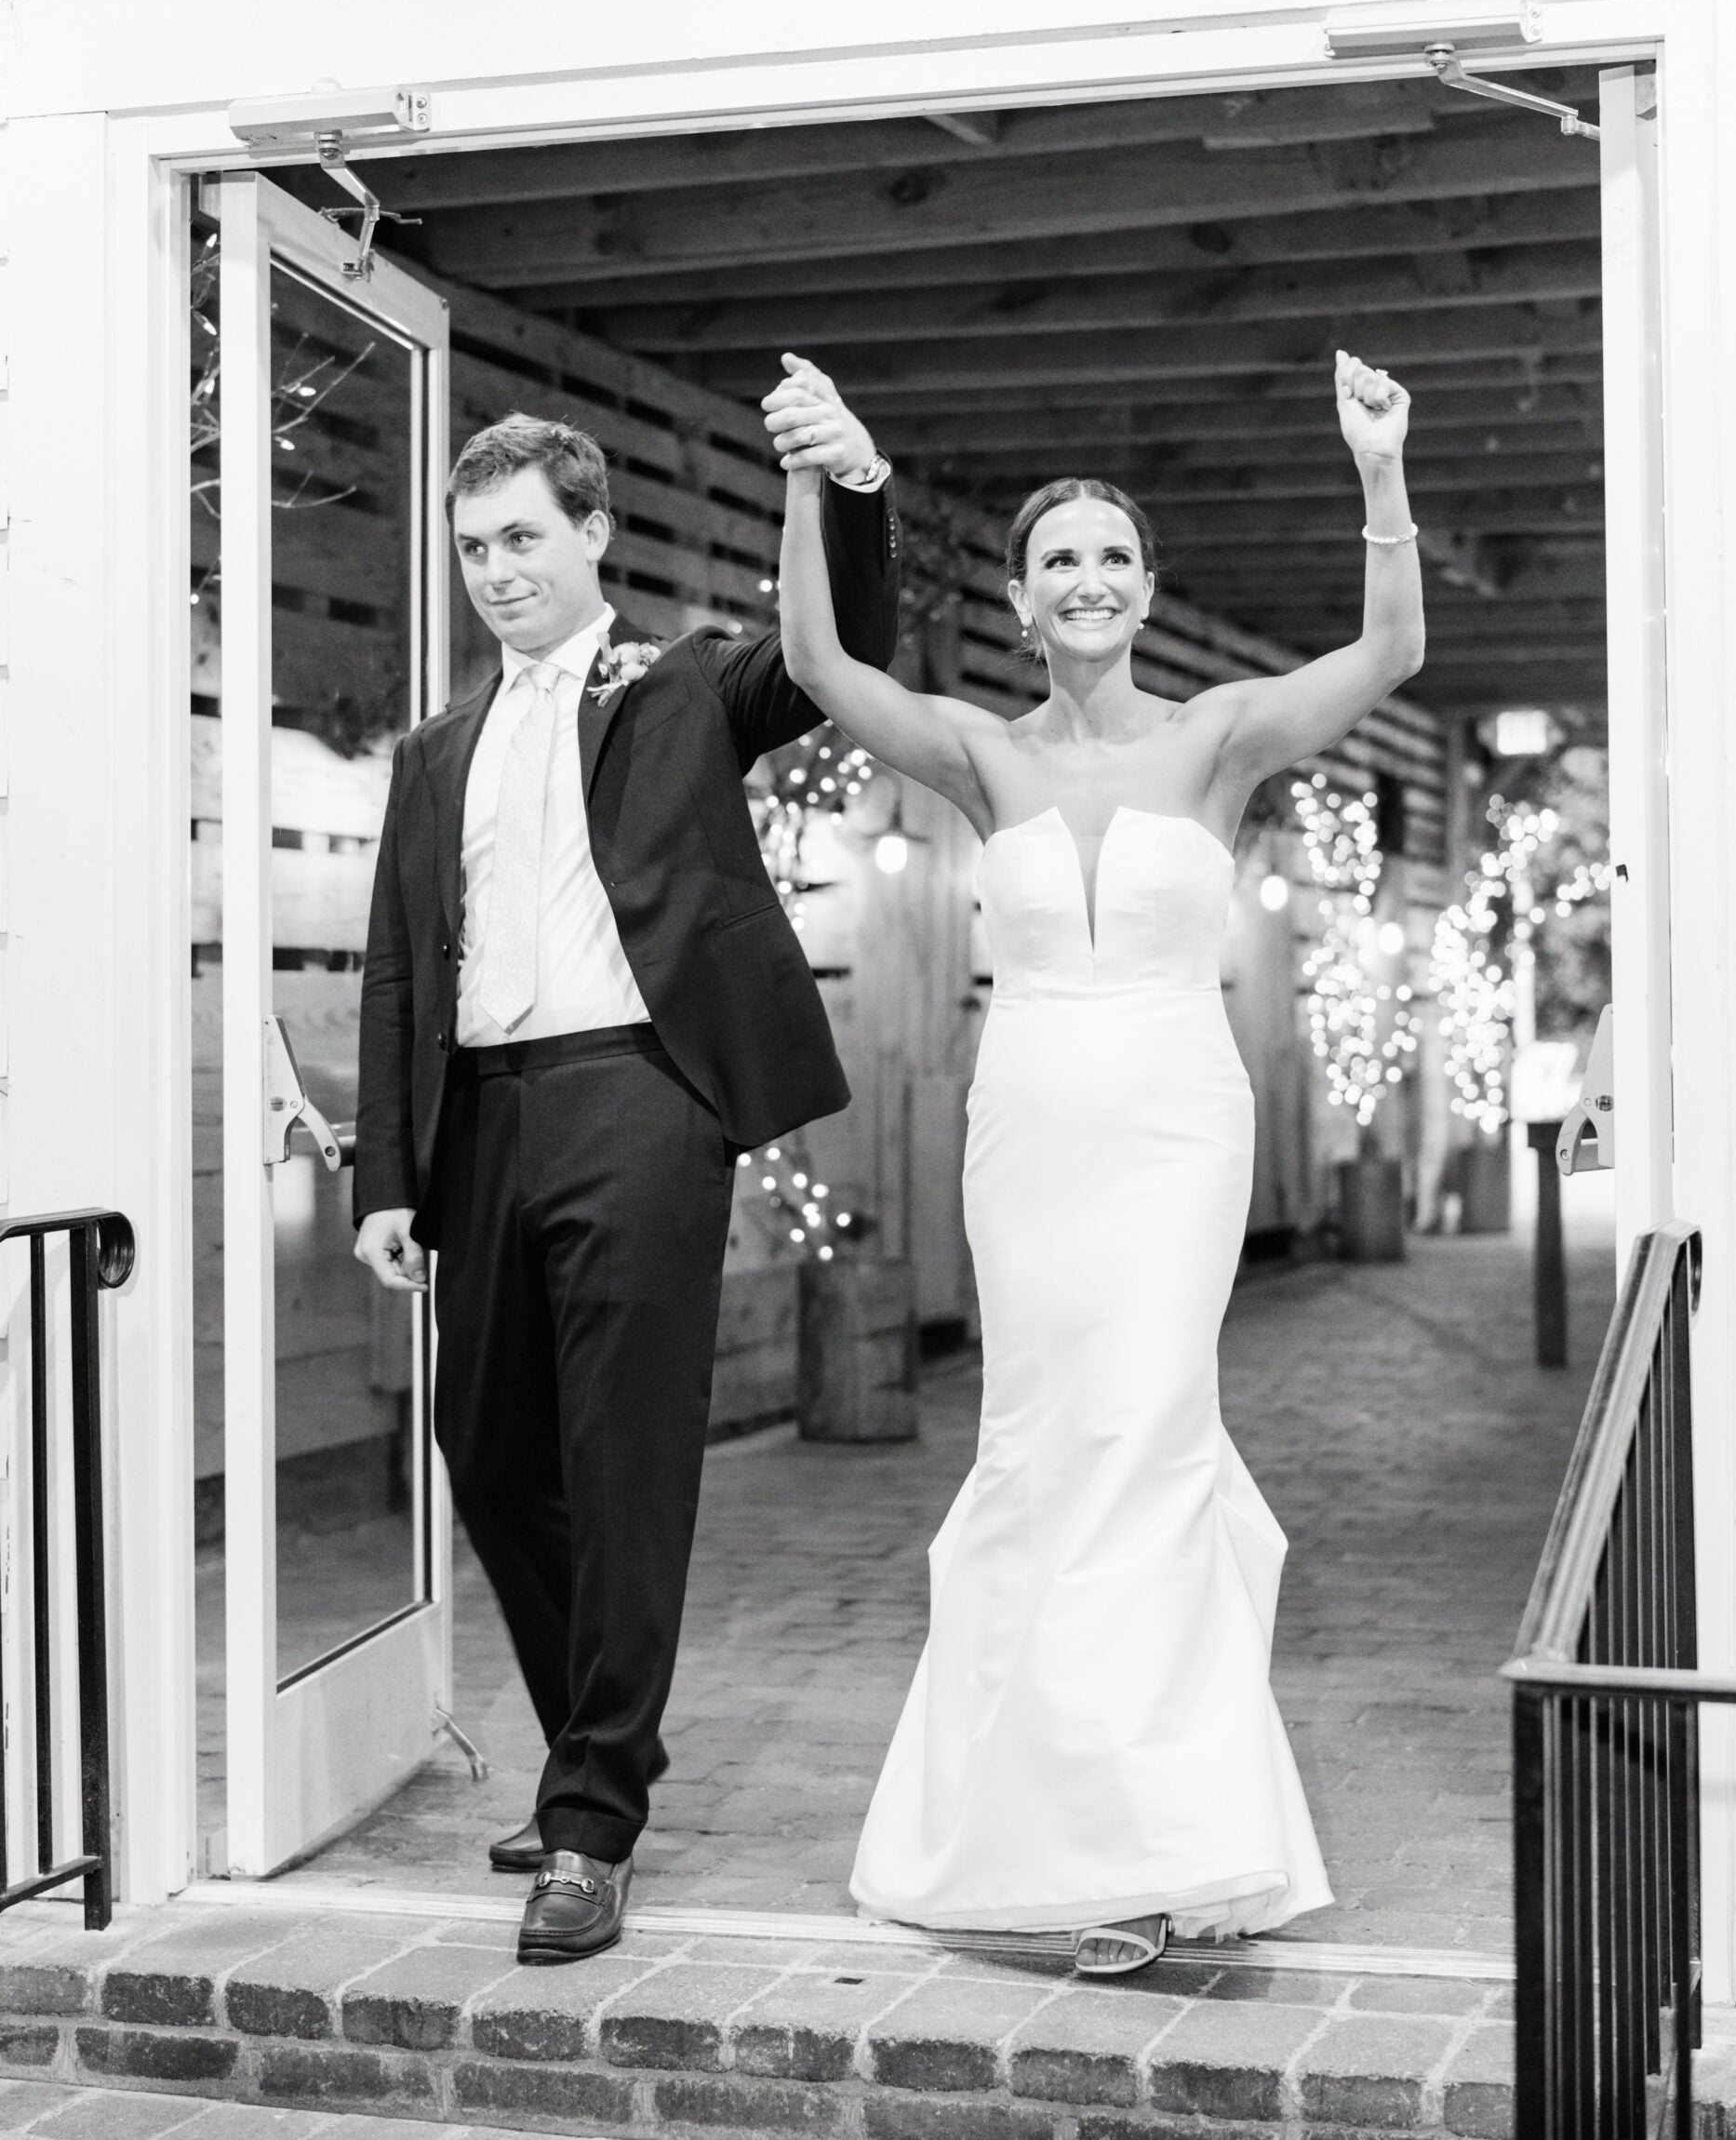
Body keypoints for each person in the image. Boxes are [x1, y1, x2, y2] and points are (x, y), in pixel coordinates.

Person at [768, 350, 1423, 1976]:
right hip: (1033, 1120)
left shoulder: (1217, 739)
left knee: (1148, 1426)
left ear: (1146, 591)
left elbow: (1396, 647)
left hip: (1176, 1119)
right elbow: (817, 661)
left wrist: (1380, 470)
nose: (1090, 580)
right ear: (1018, 597)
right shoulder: (981, 757)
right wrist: (806, 475)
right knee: (1047, 1442)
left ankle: (1154, 1841)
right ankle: (1040, 1826)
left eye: (1115, 558)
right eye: (1060, 557)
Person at [353, 358, 899, 1964]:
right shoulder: (434, 752)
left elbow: (836, 652)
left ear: (593, 532)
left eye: (524, 537)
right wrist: (390, 1175)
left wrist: (849, 488)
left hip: (642, 1100)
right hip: (485, 1116)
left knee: (623, 1456)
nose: (498, 571)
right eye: (475, 549)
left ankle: (591, 1821)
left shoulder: (686, 687)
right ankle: (604, 1744)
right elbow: (399, 969)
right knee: (489, 1447)